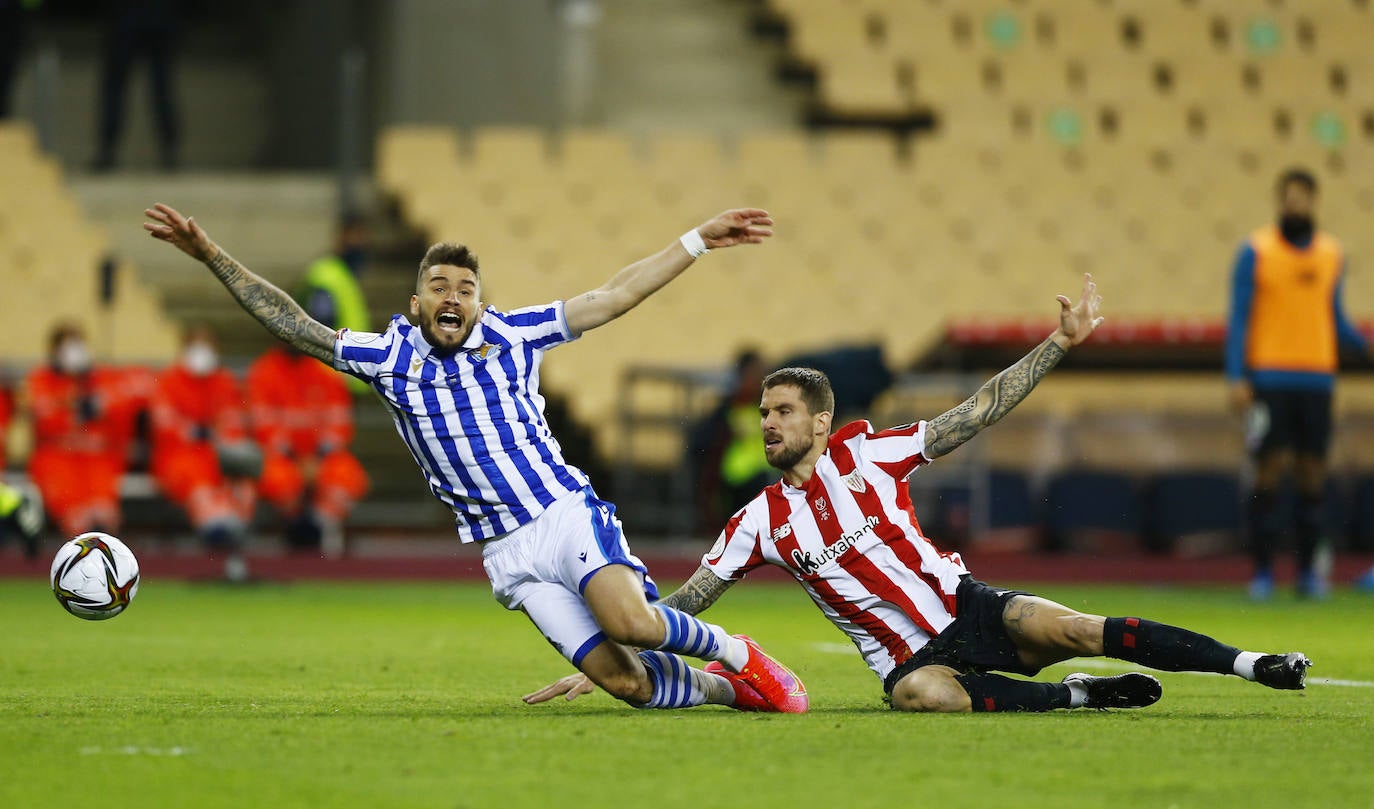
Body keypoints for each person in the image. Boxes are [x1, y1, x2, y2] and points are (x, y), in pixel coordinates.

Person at [526, 276, 1313, 713]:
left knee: (1078, 624)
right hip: (910, 658)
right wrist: (608, 655)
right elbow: (688, 599)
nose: (767, 425)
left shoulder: (873, 452)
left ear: (822, 421)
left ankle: (1253, 663)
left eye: (782, 412)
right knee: (919, 697)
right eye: (764, 413)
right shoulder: (756, 521)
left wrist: (1058, 343)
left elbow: (979, 410)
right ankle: (1080, 701)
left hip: (966, 605)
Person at [143, 201, 808, 714]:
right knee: (625, 681)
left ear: (481, 302)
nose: (453, 296)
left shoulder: (515, 334)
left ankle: (745, 656)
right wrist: (211, 256)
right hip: (506, 552)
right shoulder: (388, 358)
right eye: (439, 285)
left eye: (465, 286)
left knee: (631, 619)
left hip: (562, 512)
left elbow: (614, 295)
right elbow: (291, 323)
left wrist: (695, 240)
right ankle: (728, 691)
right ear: (416, 303)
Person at [1225, 167, 1372, 600]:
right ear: (1279, 202)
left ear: (1313, 202)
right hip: (1269, 378)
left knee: (1313, 476)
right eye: (1288, 198)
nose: (1295, 205)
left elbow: (1334, 316)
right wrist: (1237, 375)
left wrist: (1361, 344)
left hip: (1318, 381)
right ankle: (1263, 572)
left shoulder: (1331, 254)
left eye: (1302, 198)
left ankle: (1308, 573)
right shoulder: (1256, 251)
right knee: (1268, 474)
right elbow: (1239, 318)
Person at [150, 326, 258, 580]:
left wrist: (218, 438)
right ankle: (216, 532)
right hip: (178, 456)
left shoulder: (224, 381)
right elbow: (163, 423)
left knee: (241, 477)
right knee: (198, 481)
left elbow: (234, 422)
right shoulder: (169, 381)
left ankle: (235, 535)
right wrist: (192, 432)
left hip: (218, 455)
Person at [247, 343, 369, 556]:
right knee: (279, 480)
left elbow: (339, 422)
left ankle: (320, 527)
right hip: (283, 457)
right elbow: (261, 422)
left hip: (323, 456)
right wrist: (295, 458)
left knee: (346, 476)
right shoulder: (264, 371)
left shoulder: (325, 372)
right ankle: (294, 529)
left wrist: (319, 456)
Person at [22, 324, 143, 537]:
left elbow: (135, 390)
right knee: (74, 512)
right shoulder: (42, 379)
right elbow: (43, 416)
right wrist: (70, 405)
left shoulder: (100, 377)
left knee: (104, 513)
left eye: (77, 343)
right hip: (57, 456)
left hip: (97, 457)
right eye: (66, 346)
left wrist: (100, 403)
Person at [689, 349, 775, 530]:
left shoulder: (767, 408)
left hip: (767, 478)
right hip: (737, 483)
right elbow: (702, 446)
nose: (761, 379)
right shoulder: (728, 410)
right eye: (756, 373)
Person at [92, 0, 181, 171]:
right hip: (146, 16)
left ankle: (169, 150)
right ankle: (169, 151)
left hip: (142, 17)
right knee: (157, 88)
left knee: (158, 88)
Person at [297, 213, 373, 394]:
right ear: (342, 237)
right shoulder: (327, 273)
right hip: (330, 376)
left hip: (346, 374)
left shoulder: (346, 275)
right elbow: (320, 323)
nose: (361, 244)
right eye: (356, 236)